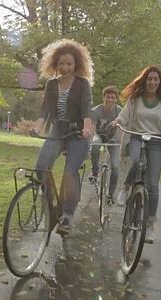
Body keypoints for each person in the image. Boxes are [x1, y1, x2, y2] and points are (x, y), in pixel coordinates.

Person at [31, 39, 94, 235]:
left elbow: (87, 110)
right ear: (55, 64)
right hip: (58, 130)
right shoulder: (51, 85)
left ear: (76, 64)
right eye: (61, 64)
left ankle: (67, 215)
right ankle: (51, 204)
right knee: (40, 167)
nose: (65, 68)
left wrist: (86, 129)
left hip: (78, 133)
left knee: (69, 173)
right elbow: (46, 110)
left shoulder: (82, 84)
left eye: (69, 64)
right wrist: (38, 127)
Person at [110, 65, 161, 243]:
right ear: (144, 80)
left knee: (153, 185)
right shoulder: (135, 99)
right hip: (136, 137)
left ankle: (150, 225)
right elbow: (124, 116)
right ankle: (126, 188)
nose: (152, 82)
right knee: (135, 160)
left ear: (160, 82)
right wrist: (118, 121)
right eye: (149, 79)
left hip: (157, 141)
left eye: (156, 79)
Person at [88, 85, 122, 204]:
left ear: (116, 99)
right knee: (95, 144)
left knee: (116, 167)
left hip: (114, 139)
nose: (110, 100)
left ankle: (110, 194)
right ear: (104, 98)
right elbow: (92, 128)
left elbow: (122, 130)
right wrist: (89, 143)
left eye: (113, 98)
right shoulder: (97, 110)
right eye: (108, 97)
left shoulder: (120, 112)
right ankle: (95, 172)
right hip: (100, 136)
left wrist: (121, 146)